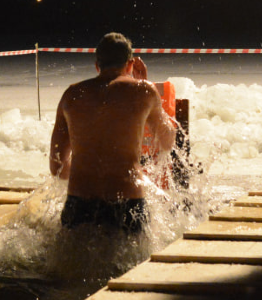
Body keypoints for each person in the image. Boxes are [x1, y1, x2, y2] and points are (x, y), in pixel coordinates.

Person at [49, 33, 176, 234]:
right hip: (127, 202)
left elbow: (57, 166)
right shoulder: (144, 91)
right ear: (130, 64)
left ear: (97, 65)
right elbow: (167, 141)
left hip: (79, 203)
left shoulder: (72, 95)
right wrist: (146, 88)